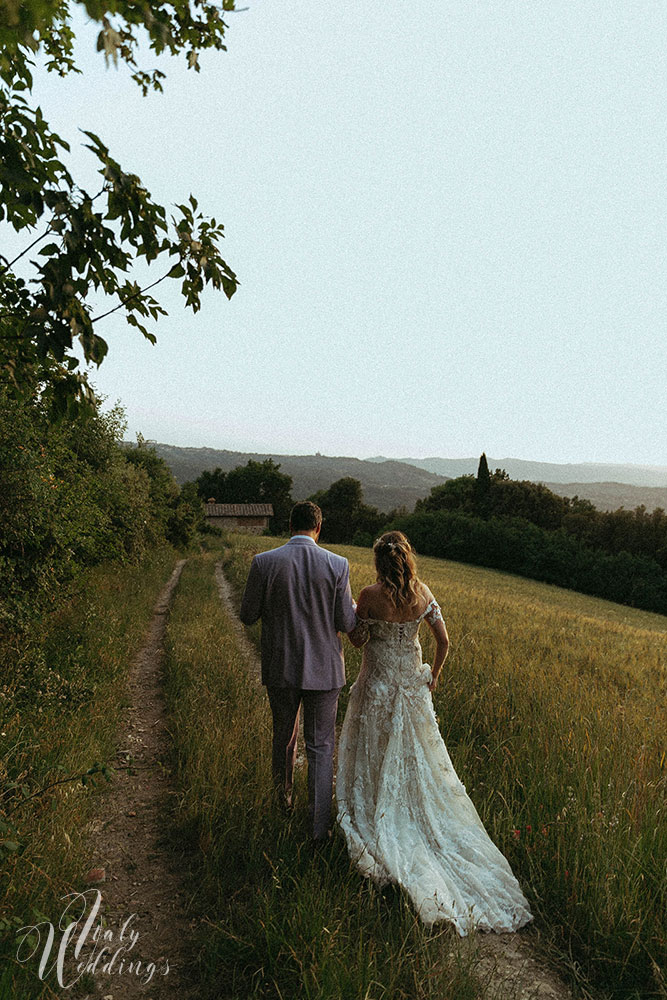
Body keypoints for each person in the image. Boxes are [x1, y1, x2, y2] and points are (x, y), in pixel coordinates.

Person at [336, 530, 533, 934]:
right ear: (407, 560)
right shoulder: (423, 593)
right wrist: (434, 676)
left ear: (378, 563)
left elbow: (357, 641)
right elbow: (444, 641)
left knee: (374, 758)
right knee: (419, 763)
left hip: (377, 688)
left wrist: (357, 621)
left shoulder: (370, 596)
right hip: (411, 688)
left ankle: (380, 816)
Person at [239, 500, 358, 842]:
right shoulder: (338, 565)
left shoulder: (264, 562)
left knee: (284, 737)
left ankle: (282, 804)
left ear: (290, 526)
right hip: (325, 670)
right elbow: (345, 622)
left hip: (281, 667)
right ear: (319, 528)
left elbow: (247, 615)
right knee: (320, 746)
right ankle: (319, 829)